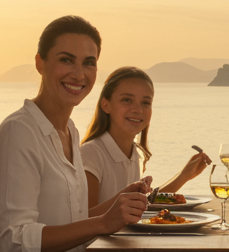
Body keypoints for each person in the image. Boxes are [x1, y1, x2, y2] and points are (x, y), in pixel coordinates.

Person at [0, 16, 169, 252]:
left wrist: (121, 200)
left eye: (89, 63)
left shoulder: (68, 130)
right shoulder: (19, 132)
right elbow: (16, 242)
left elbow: (74, 220)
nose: (79, 74)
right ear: (40, 63)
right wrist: (101, 223)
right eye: (67, 60)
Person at [80, 67, 212, 207]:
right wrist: (125, 199)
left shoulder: (137, 154)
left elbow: (145, 205)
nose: (138, 109)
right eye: (127, 100)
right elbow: (84, 220)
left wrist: (184, 176)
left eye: (145, 103)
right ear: (106, 105)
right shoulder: (91, 154)